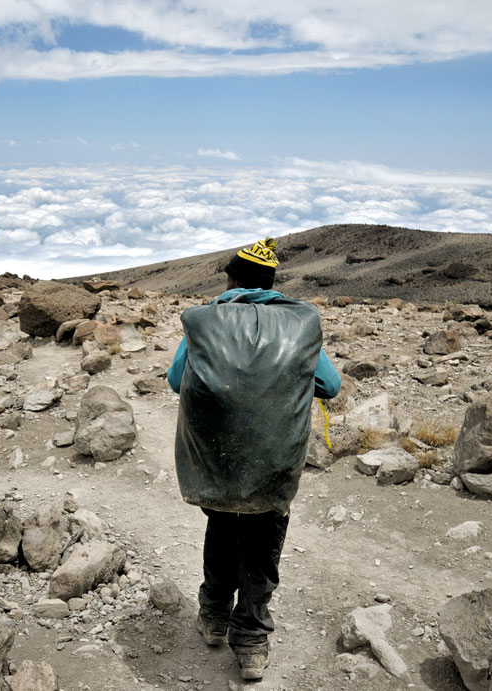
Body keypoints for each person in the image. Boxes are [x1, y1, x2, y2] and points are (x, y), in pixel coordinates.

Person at [167, 236, 341, 681]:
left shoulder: (206, 322)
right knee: (263, 544)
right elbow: (330, 385)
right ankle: (250, 643)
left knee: (222, 529)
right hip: (274, 460)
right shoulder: (298, 324)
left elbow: (175, 380)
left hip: (219, 459)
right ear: (271, 282)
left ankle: (212, 618)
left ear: (232, 279)